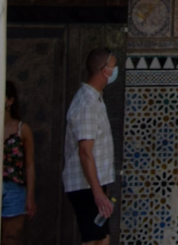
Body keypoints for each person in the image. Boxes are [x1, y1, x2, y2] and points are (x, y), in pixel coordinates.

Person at [63, 50, 117, 239]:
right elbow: (85, 152)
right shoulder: (86, 104)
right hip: (85, 186)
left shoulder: (95, 100)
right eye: (113, 66)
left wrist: (103, 189)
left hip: (93, 186)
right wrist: (97, 193)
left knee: (101, 238)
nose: (114, 70)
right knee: (95, 239)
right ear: (105, 70)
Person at [1, 81, 35, 242]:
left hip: (14, 190)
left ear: (10, 101)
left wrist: (30, 196)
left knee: (10, 238)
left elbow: (29, 164)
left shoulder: (22, 129)